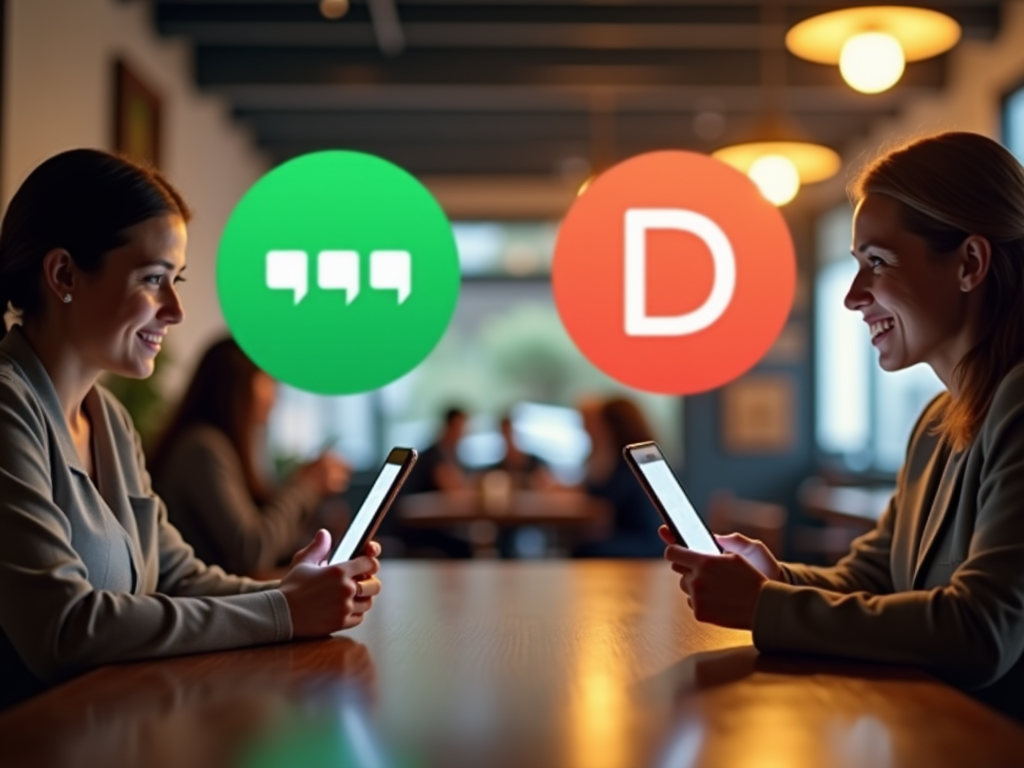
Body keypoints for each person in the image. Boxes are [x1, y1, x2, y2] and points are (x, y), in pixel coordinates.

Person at [661, 132, 1024, 719]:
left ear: (970, 264)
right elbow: (877, 575)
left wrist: (763, 608)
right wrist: (771, 577)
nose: (854, 297)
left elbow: (980, 631)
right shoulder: (936, 422)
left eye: (877, 263)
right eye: (856, 266)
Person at [0, 149, 380, 709]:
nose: (175, 309)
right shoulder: (9, 408)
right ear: (63, 275)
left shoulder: (110, 419)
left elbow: (177, 574)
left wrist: (295, 593)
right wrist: (283, 611)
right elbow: (64, 627)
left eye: (175, 280)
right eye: (154, 279)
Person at [149, 338, 351, 575]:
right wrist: (308, 484)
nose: (276, 395)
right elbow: (253, 550)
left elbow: (271, 543)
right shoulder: (202, 448)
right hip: (206, 603)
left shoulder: (234, 447)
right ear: (238, 383)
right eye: (268, 381)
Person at [574, 396, 663, 558]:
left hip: (645, 542)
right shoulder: (639, 458)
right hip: (643, 538)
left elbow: (605, 501)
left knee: (585, 550)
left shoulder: (629, 465)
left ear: (612, 426)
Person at [401, 406, 470, 495]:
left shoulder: (451, 454)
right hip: (416, 505)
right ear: (449, 427)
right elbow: (453, 487)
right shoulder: (433, 456)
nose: (462, 433)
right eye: (460, 427)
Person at [484, 414, 556, 490]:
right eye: (504, 432)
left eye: (509, 432)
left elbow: (549, 486)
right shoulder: (497, 469)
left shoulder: (537, 464)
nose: (508, 437)